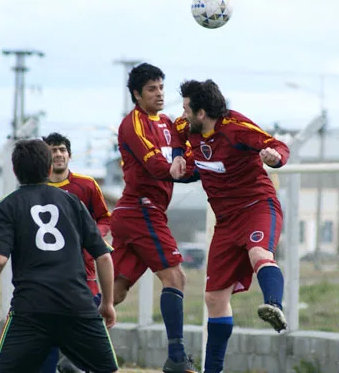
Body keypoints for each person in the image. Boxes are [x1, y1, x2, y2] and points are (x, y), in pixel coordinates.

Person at [0, 139, 118, 373]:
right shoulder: (73, 202)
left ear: (15, 172)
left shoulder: (5, 207)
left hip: (30, 309)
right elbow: (103, 256)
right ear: (49, 169)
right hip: (77, 305)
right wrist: (108, 303)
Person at [171, 79, 290, 373]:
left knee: (259, 253)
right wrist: (177, 159)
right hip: (225, 222)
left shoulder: (235, 127)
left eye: (186, 109)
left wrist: (274, 158)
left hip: (257, 207)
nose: (182, 114)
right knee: (214, 297)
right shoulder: (188, 127)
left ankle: (275, 305)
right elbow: (176, 131)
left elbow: (277, 146)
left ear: (201, 113)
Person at [111, 62, 198, 373]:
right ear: (137, 94)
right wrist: (190, 174)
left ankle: (68, 351)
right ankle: (177, 358)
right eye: (151, 89)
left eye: (161, 87)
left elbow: (185, 152)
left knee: (116, 291)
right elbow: (154, 164)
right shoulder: (132, 124)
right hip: (141, 208)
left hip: (139, 211)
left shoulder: (167, 123)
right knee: (175, 277)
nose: (159, 94)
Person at [40, 132, 114, 373]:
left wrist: (94, 236)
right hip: (47, 280)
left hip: (85, 276)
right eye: (53, 150)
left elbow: (105, 219)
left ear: (69, 155)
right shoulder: (36, 190)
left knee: (83, 348)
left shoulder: (87, 185)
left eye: (62, 149)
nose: (59, 154)